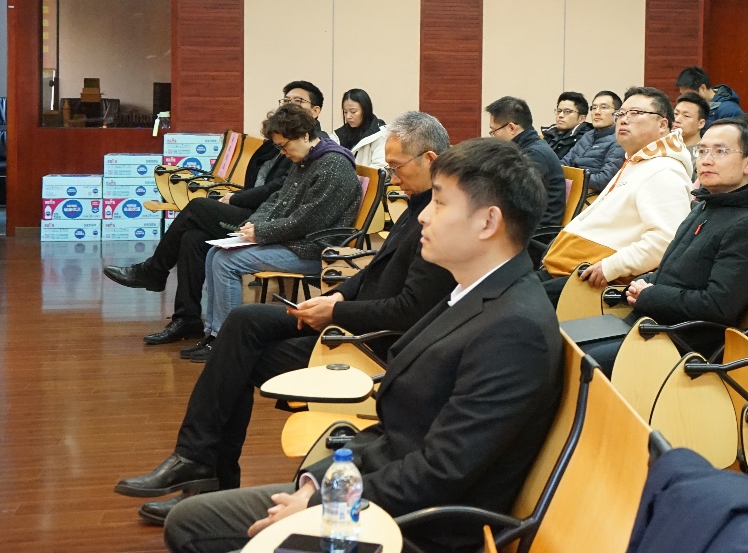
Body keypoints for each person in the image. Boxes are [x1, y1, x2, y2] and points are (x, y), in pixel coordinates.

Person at [161, 138, 565, 553]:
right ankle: (202, 467)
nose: (424, 215)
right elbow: (399, 431)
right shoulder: (475, 294)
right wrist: (316, 483)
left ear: (488, 222)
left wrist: (320, 501)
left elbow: (440, 472)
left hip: (410, 527)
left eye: (440, 203)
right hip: (376, 491)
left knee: (192, 528)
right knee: (192, 520)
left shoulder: (514, 329)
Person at [112, 112, 453, 525]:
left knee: (236, 358)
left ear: (429, 159)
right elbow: (375, 270)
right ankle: (196, 462)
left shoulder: (440, 220)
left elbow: (409, 311)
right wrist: (337, 294)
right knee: (243, 322)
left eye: (396, 168)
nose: (391, 180)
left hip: (364, 346)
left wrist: (336, 310)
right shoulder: (419, 206)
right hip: (348, 321)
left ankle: (204, 472)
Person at [103, 81, 328, 345]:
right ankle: (186, 319)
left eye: (298, 101)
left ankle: (154, 270)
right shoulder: (276, 140)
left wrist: (236, 198)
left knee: (197, 207)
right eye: (286, 100)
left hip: (265, 221)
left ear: (315, 111)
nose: (290, 105)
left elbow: (278, 190)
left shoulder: (311, 147)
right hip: (254, 211)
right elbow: (263, 183)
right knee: (193, 238)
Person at [584, 118, 748, 373]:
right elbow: (675, 270)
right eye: (702, 151)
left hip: (682, 342)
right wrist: (641, 285)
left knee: (583, 359)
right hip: (653, 323)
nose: (706, 160)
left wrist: (650, 295)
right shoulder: (706, 205)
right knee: (562, 340)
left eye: (721, 151)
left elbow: (718, 306)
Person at [187, 104, 363, 361]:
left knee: (226, 262)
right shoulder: (307, 160)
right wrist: (252, 225)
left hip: (315, 249)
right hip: (295, 241)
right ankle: (213, 334)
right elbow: (277, 200)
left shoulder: (333, 166)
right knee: (215, 253)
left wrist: (261, 232)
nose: (282, 153)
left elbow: (307, 222)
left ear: (305, 135)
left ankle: (225, 340)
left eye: (284, 146)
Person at [542, 87, 693, 298]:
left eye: (636, 113)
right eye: (621, 114)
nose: (624, 119)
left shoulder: (664, 170)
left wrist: (611, 267)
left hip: (591, 282)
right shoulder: (638, 161)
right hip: (568, 269)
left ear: (662, 125)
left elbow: (666, 241)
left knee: (512, 300)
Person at [485, 96, 566, 257]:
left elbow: (519, 201)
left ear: (511, 128)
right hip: (525, 225)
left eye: (493, 131)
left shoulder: (534, 155)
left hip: (535, 235)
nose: (493, 136)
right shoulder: (523, 148)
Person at [561, 90, 627, 195]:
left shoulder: (619, 139)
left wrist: (572, 177)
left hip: (592, 196)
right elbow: (564, 164)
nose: (597, 112)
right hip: (571, 189)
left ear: (617, 114)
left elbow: (603, 180)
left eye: (604, 107)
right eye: (594, 107)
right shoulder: (588, 135)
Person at [335, 88, 386, 170]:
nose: (348, 116)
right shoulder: (337, 136)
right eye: (345, 112)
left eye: (353, 112)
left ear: (365, 110)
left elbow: (380, 168)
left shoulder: (381, 134)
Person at [676, 65, 743, 128]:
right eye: (682, 94)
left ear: (703, 88)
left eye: (689, 94)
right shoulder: (696, 106)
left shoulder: (729, 109)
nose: (686, 98)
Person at [541, 91, 591, 160]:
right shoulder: (549, 134)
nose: (560, 115)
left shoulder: (585, 139)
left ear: (581, 118)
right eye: (559, 111)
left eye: (567, 112)